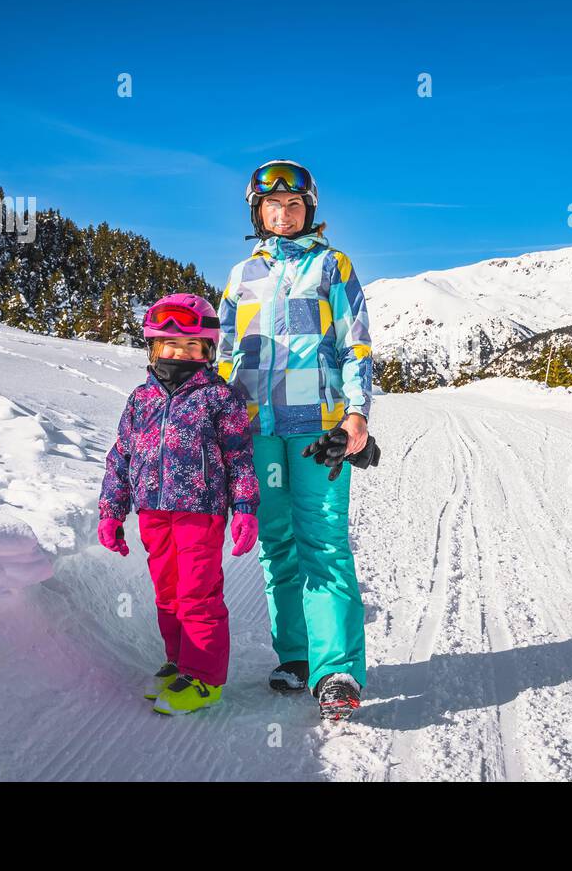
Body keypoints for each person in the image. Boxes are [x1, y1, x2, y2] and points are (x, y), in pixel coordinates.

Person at [215, 159, 376, 722]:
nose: (282, 215)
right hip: (257, 429)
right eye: (271, 207)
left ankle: (336, 671)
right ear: (256, 212)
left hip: (318, 430)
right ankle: (297, 657)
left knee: (324, 543)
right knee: (276, 544)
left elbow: (355, 342)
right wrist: (217, 419)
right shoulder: (241, 276)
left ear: (309, 209)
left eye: (292, 206)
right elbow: (225, 355)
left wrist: (357, 414)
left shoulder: (332, 265)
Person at [97, 293, 261, 716]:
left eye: (192, 346)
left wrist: (244, 508)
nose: (180, 352)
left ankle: (204, 677)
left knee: (197, 594)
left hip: (200, 511)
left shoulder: (219, 397)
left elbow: (240, 456)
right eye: (171, 344)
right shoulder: (140, 399)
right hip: (152, 510)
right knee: (167, 594)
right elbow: (121, 455)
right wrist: (111, 511)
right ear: (154, 347)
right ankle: (179, 663)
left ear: (207, 351)